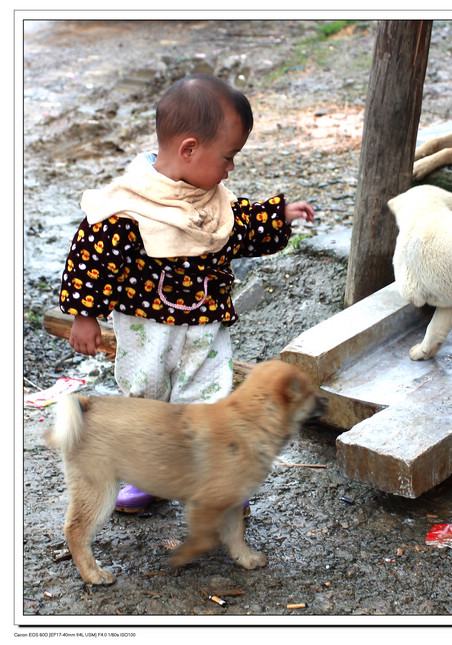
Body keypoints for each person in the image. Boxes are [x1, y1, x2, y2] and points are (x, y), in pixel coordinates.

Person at [59, 74, 314, 512]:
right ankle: (149, 476)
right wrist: (85, 315)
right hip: (147, 331)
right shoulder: (128, 209)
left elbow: (243, 226)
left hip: (204, 331)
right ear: (190, 149)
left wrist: (279, 217)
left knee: (209, 403)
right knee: (147, 406)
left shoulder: (213, 203)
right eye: (228, 158)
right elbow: (91, 259)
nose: (231, 169)